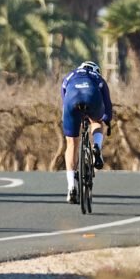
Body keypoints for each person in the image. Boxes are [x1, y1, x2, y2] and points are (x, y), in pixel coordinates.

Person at [61, 61, 113, 204]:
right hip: (92, 98)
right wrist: (107, 120)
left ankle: (71, 186)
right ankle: (96, 146)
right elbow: (107, 105)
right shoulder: (98, 78)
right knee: (97, 121)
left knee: (71, 143)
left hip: (72, 101)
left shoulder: (69, 77)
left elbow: (64, 102)